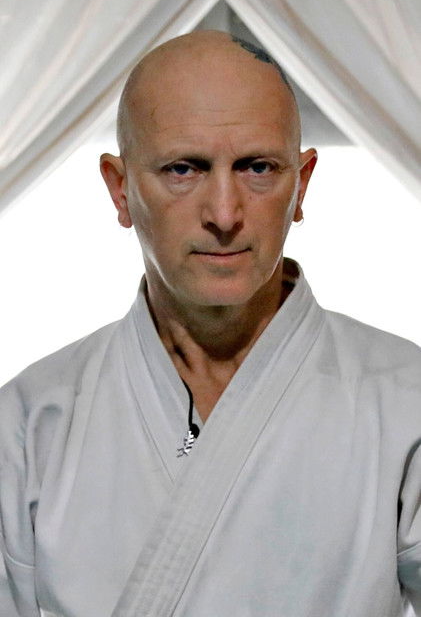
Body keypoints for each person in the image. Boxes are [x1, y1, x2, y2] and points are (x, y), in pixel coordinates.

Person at [1, 30, 420, 617]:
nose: (224, 213)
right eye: (183, 169)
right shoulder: (28, 423)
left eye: (257, 167)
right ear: (120, 190)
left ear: (301, 184)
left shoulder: (405, 401)